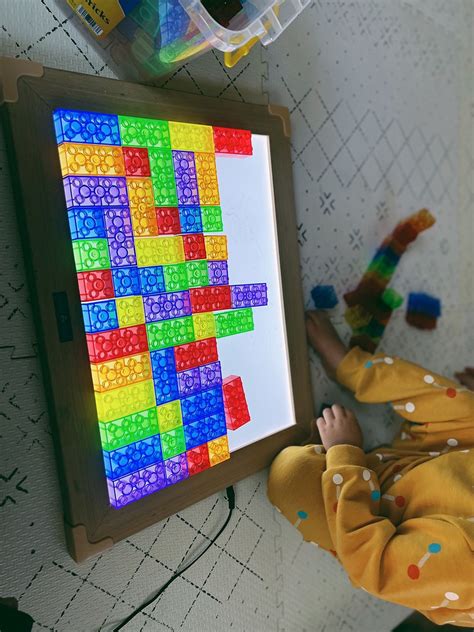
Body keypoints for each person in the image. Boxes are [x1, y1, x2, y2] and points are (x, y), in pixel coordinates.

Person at [267, 311, 474, 627]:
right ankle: (350, 367)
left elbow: (371, 563)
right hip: (440, 453)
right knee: (464, 406)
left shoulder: (462, 572)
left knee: (289, 473)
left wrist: (344, 456)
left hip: (379, 512)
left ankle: (334, 465)